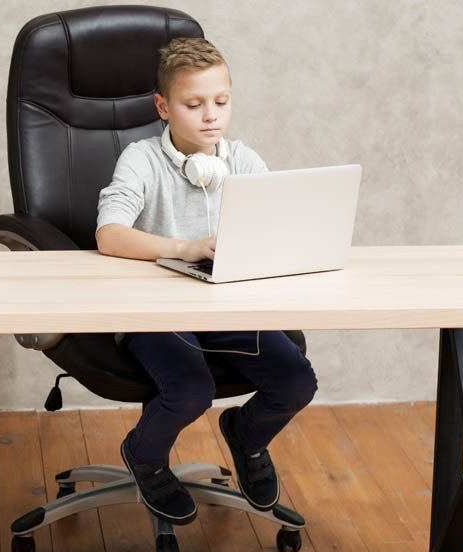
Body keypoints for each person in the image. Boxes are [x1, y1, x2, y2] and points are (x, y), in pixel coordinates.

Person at [96, 37, 318, 525]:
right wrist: (185, 249)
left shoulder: (241, 161)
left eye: (221, 102)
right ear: (163, 106)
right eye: (194, 105)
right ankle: (146, 454)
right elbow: (110, 235)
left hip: (225, 308)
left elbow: (280, 227)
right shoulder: (141, 160)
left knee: (296, 380)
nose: (210, 116)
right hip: (154, 314)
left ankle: (246, 434)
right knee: (190, 389)